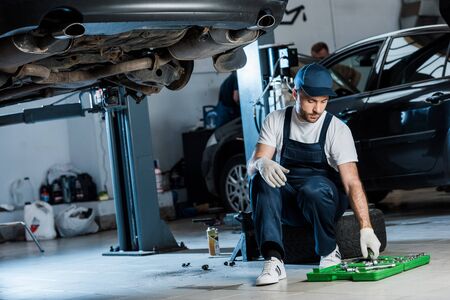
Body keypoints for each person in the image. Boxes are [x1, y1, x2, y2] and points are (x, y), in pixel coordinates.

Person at [247, 63, 381, 286]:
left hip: (323, 198)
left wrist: (366, 228)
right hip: (290, 201)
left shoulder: (336, 129)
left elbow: (352, 182)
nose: (317, 109)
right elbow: (252, 164)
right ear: (295, 94)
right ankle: (274, 260)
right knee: (260, 179)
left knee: (313, 189)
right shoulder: (276, 119)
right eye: (311, 100)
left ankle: (329, 251)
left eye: (323, 101)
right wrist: (261, 163)